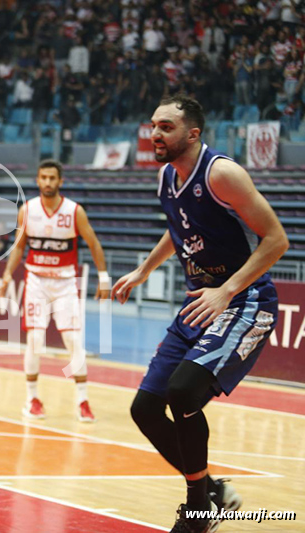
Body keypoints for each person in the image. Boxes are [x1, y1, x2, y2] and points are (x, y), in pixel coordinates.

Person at [112, 94, 289, 533]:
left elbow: (276, 240)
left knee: (183, 391)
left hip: (244, 301)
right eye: (153, 125)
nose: (155, 133)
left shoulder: (221, 174)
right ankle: (212, 493)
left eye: (166, 127)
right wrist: (143, 270)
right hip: (201, 303)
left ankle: (197, 512)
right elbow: (178, 229)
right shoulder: (166, 178)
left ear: (192, 134)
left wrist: (227, 290)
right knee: (145, 409)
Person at [0, 159, 110, 422]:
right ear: (37, 180)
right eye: (43, 177)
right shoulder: (27, 210)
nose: (47, 182)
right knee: (35, 339)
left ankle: (82, 401)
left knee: (73, 340)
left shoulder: (74, 211)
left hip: (65, 283)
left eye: (52, 178)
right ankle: (32, 399)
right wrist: (6, 275)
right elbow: (19, 247)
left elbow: (94, 243)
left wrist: (104, 278)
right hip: (36, 281)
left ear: (60, 181)